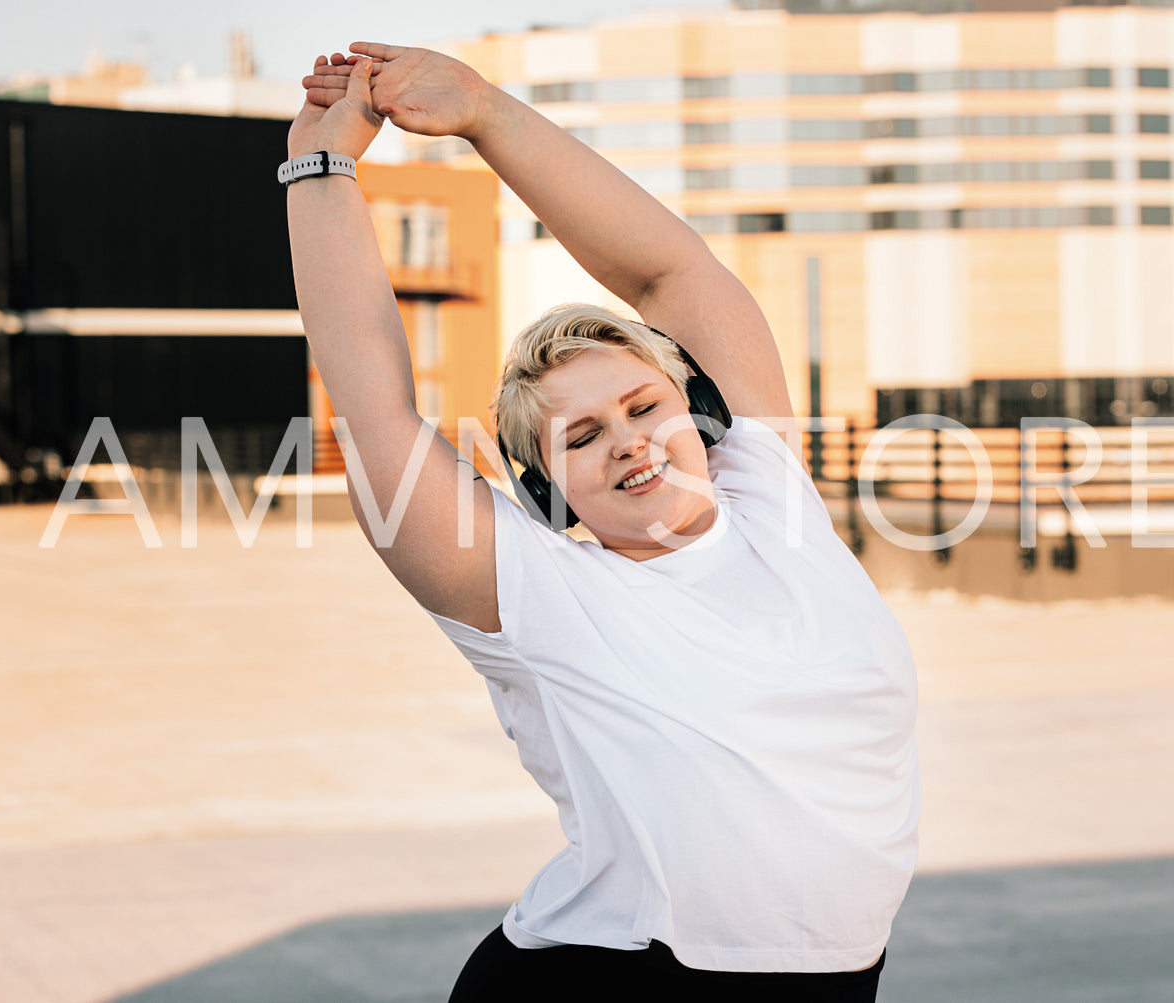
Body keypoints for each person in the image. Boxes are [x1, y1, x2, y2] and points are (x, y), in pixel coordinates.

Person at [288, 44, 920, 1002]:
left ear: (694, 409)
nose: (628, 440)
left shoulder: (771, 492)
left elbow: (670, 273)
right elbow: (375, 406)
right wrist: (320, 167)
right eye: (580, 437)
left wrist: (486, 112)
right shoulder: (543, 593)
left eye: (640, 404)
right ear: (549, 492)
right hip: (622, 979)